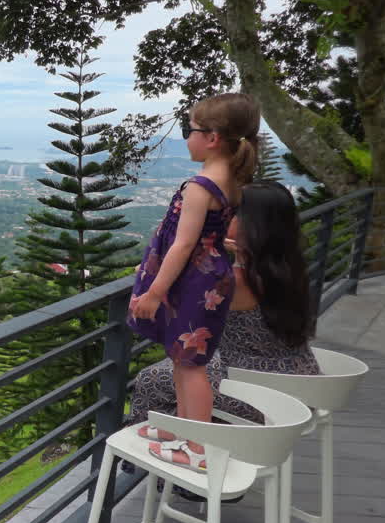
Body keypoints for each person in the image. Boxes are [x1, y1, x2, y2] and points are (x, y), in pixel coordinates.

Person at [127, 93, 259, 472]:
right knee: (183, 359)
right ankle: (180, 431)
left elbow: (183, 244)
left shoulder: (200, 185)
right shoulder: (231, 178)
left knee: (191, 365)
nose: (187, 137)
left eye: (191, 130)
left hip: (193, 284)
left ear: (213, 138)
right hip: (208, 278)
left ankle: (198, 449)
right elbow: (207, 236)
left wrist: (154, 292)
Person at [129, 180, 321, 436]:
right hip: (300, 379)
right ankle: (192, 437)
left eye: (231, 213)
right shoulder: (287, 267)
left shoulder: (237, 281)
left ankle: (165, 464)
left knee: (151, 380)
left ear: (251, 224)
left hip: (264, 391)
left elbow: (181, 290)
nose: (222, 218)